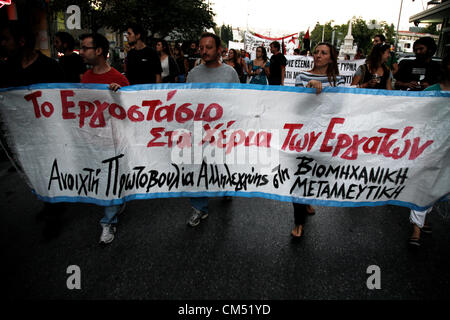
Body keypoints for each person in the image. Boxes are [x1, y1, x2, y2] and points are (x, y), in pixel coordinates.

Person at [0, 21, 65, 240]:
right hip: (23, 135)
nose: (3, 44)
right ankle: (48, 203)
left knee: (51, 170)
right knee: (35, 170)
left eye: (6, 39)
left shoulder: (50, 67)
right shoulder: (8, 68)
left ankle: (55, 212)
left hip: (49, 134)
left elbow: (64, 99)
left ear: (21, 41)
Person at [185, 32, 240, 227]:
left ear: (219, 50)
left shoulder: (230, 73)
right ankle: (199, 207)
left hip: (222, 130)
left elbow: (238, 100)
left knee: (220, 164)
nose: (204, 51)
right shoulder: (193, 74)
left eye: (209, 47)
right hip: (199, 130)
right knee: (197, 168)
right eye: (201, 47)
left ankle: (225, 188)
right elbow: (186, 102)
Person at [79, 33, 130, 244]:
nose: (81, 52)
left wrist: (120, 95)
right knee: (103, 180)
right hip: (91, 141)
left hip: (113, 143)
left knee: (110, 180)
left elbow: (132, 112)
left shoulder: (119, 79)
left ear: (99, 51)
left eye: (85, 48)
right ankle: (116, 203)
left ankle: (108, 222)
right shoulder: (83, 79)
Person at [292, 42, 344, 238]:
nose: (319, 55)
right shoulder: (302, 76)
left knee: (315, 173)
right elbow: (297, 103)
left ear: (331, 58)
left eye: (324, 53)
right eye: (316, 52)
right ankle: (298, 221)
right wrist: (308, 88)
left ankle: (306, 200)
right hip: (303, 134)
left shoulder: (337, 80)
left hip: (326, 135)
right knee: (300, 173)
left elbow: (338, 106)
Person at [408, 54, 450, 247]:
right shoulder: (433, 91)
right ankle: (416, 228)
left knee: (439, 185)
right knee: (424, 184)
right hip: (432, 147)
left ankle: (423, 218)